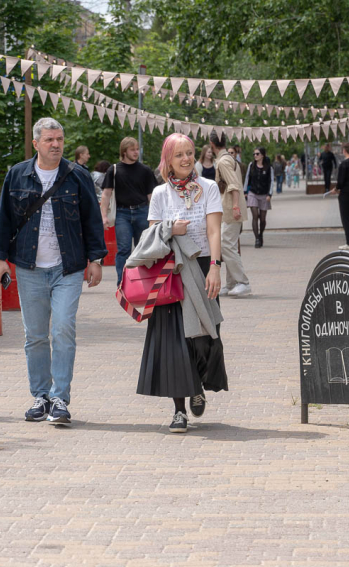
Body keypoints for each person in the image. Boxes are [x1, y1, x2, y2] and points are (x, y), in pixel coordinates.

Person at [0, 117, 107, 426]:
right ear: (36, 143)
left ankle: (60, 398)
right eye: (50, 140)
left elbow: (92, 220)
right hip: (29, 268)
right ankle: (40, 396)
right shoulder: (17, 175)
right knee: (36, 336)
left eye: (60, 139)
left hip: (67, 267)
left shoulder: (77, 176)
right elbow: (3, 219)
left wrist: (96, 259)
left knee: (63, 329)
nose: (56, 144)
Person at [135, 132, 227, 433]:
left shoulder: (209, 187)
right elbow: (152, 235)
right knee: (175, 343)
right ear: (168, 161)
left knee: (203, 337)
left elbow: (214, 231)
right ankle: (178, 410)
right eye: (179, 155)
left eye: (189, 152)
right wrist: (170, 228)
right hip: (171, 273)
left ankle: (198, 383)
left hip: (201, 268)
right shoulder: (161, 194)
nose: (186, 159)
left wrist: (215, 267)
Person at [100, 137, 158, 286]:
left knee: (143, 248)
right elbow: (106, 194)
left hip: (142, 211)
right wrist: (103, 216)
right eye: (132, 149)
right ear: (124, 151)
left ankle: (144, 281)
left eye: (137, 149)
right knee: (124, 249)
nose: (136, 152)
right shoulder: (113, 170)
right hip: (122, 213)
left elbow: (152, 196)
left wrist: (157, 216)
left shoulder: (145, 170)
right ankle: (122, 282)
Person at [210, 131, 250, 297]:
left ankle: (243, 282)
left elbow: (233, 184)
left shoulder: (224, 161)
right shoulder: (227, 158)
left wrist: (235, 206)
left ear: (212, 145)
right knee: (227, 245)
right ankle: (232, 282)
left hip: (230, 210)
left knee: (226, 245)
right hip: (229, 209)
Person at [244, 146, 274, 248]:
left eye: (257, 154)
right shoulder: (251, 165)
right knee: (255, 215)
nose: (255, 156)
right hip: (253, 193)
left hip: (264, 195)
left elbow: (271, 181)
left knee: (262, 219)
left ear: (262, 155)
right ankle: (256, 238)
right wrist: (245, 191)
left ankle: (261, 235)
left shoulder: (269, 167)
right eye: (254, 154)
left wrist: (270, 194)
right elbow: (247, 178)